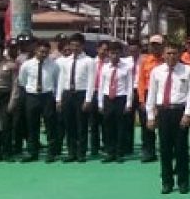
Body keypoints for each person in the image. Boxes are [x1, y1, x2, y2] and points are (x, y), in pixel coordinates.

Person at [146, 41, 190, 194]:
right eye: (168, 53)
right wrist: (150, 116)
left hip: (179, 111)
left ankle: (183, 182)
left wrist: (188, 114)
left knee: (181, 149)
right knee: (164, 149)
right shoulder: (156, 71)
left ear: (180, 54)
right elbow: (152, 95)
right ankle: (167, 182)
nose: (171, 56)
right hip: (163, 112)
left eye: (174, 53)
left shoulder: (188, 70)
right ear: (163, 54)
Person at [10, 40, 59, 162]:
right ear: (36, 51)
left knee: (50, 125)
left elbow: (57, 81)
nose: (43, 54)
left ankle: (51, 153)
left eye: (46, 52)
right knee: (32, 125)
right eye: (41, 51)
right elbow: (22, 81)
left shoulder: (54, 65)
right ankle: (32, 152)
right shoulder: (27, 65)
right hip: (32, 96)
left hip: (47, 96)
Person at [55, 33, 95, 163]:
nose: (74, 48)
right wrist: (59, 98)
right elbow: (61, 80)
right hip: (67, 93)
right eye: (72, 45)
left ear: (82, 46)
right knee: (69, 124)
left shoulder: (89, 61)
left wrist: (88, 99)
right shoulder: (65, 61)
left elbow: (91, 81)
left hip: (81, 93)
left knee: (81, 124)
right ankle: (71, 152)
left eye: (77, 45)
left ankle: (81, 152)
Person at [97, 42, 136, 163]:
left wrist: (129, 103)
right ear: (108, 54)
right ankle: (110, 152)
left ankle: (120, 153)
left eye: (117, 53)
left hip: (121, 98)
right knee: (108, 127)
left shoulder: (127, 67)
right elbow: (101, 86)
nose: (114, 55)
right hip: (108, 98)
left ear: (121, 53)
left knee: (120, 127)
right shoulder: (105, 67)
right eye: (112, 53)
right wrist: (100, 103)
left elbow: (129, 86)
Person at [136, 36, 164, 162]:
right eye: (152, 45)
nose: (155, 47)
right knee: (147, 125)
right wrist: (142, 99)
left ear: (163, 46)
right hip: (148, 94)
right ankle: (149, 151)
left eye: (157, 45)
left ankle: (166, 150)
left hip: (163, 93)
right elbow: (141, 81)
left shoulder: (166, 60)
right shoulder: (145, 61)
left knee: (164, 124)